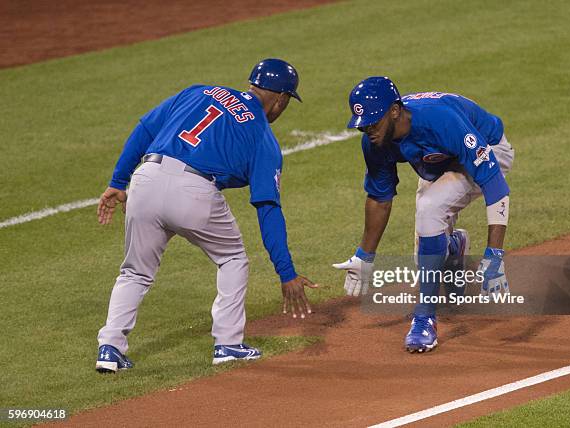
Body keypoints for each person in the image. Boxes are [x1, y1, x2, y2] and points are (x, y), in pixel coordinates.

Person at [95, 58, 318, 373]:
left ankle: (110, 348)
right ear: (281, 100)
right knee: (233, 259)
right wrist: (287, 274)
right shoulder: (263, 138)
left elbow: (145, 128)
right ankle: (227, 343)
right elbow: (268, 210)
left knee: (135, 272)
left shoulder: (200, 92)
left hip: (145, 179)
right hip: (194, 193)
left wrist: (118, 182)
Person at [334, 77, 514, 353]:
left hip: (490, 150)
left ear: (394, 111)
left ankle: (424, 318)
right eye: (363, 125)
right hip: (443, 161)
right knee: (425, 251)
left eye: (373, 122)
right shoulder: (374, 141)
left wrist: (494, 254)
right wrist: (364, 255)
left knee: (429, 209)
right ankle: (452, 247)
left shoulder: (440, 120)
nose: (368, 130)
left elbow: (495, 184)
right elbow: (380, 199)